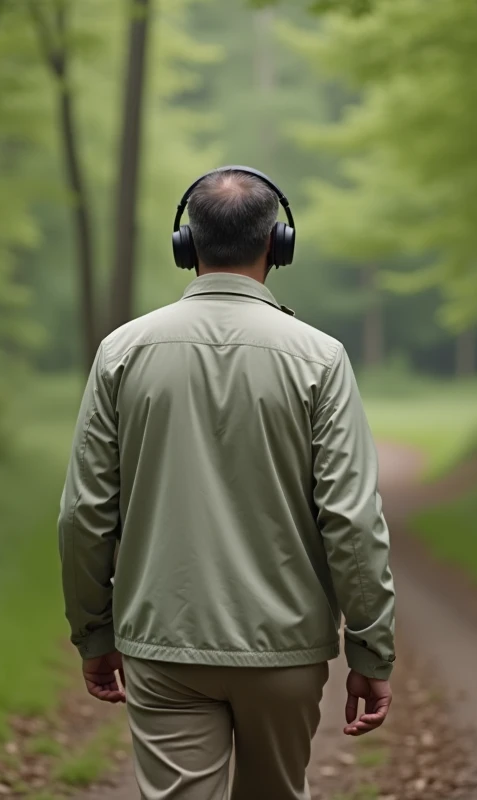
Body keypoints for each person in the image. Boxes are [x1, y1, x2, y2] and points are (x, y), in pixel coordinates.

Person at [57, 165, 397, 800]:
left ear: (186, 243)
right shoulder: (320, 359)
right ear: (279, 242)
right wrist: (371, 651)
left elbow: (84, 513)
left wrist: (93, 631)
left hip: (163, 646)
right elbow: (351, 520)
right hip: (287, 648)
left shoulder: (121, 352)